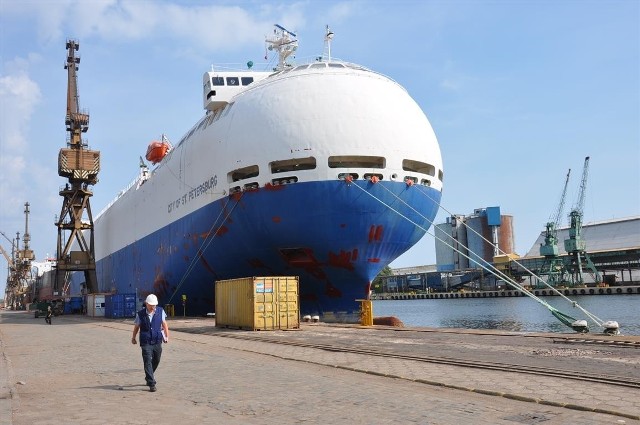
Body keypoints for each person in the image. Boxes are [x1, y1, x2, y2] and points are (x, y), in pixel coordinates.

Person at [131, 294, 169, 392]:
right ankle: (152, 383)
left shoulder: (160, 311)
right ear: (146, 304)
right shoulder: (140, 314)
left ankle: (148, 376)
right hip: (146, 342)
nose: (153, 307)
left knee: (156, 360)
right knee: (147, 361)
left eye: (154, 305)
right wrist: (133, 337)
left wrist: (166, 336)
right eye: (151, 305)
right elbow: (136, 327)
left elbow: (164, 324)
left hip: (157, 341)